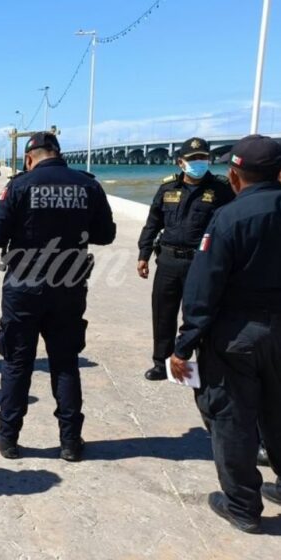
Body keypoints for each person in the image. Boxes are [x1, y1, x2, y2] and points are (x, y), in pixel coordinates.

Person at [170, 135, 281, 534]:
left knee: (232, 417)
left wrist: (184, 345)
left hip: (238, 334)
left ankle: (242, 506)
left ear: (234, 175)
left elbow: (204, 287)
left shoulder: (231, 217)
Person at [0, 131, 116, 461]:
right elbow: (106, 234)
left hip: (23, 287)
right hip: (69, 287)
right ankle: (70, 442)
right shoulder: (88, 185)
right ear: (58, 153)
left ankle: (9, 437)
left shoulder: (19, 185)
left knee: (17, 362)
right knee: (66, 362)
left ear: (29, 158)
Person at [137, 137, 234, 381]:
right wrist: (143, 254)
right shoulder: (168, 188)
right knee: (163, 314)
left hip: (200, 264)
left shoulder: (222, 190)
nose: (198, 162)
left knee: (198, 315)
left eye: (202, 158)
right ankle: (162, 363)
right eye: (193, 159)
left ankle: (200, 364)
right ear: (181, 162)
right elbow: (152, 223)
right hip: (168, 261)